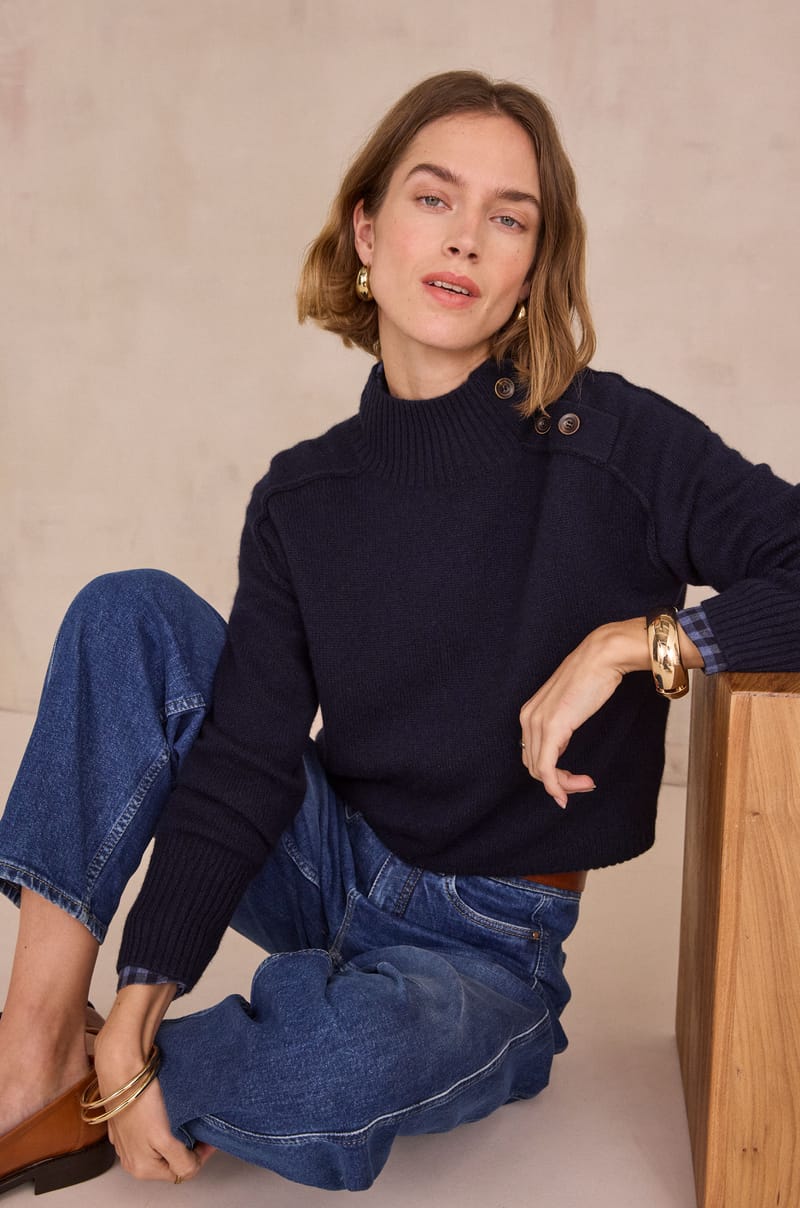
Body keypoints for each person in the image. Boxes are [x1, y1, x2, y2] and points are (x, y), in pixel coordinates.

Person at [1, 68, 798, 1197]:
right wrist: (141, 988)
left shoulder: (616, 442)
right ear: (367, 232)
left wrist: (640, 643)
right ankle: (34, 1051)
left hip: (488, 947)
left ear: (532, 269)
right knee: (125, 610)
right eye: (434, 198)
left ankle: (149, 1072)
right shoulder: (302, 496)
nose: (465, 237)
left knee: (352, 1055)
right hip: (331, 859)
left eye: (508, 217)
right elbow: (244, 765)